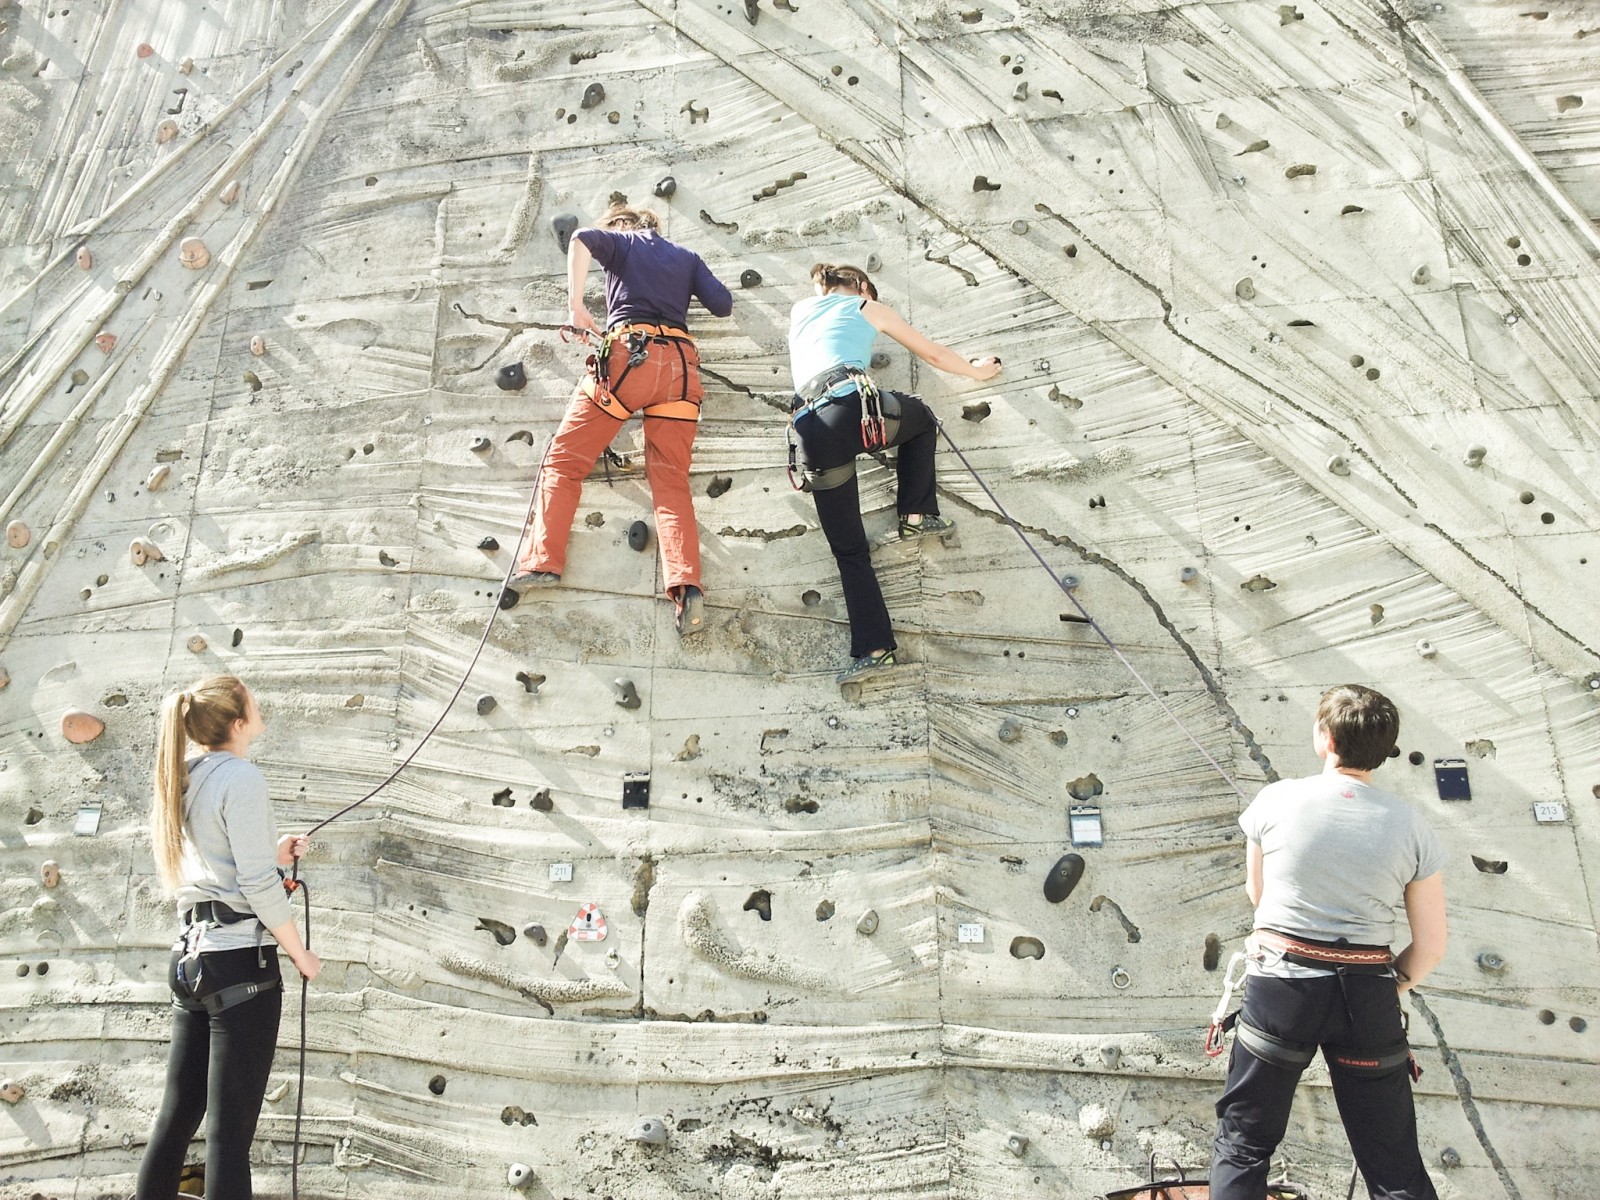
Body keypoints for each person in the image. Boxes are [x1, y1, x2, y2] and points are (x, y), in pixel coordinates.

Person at [1210, 684, 1448, 1200]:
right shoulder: (1412, 825)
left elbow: (1260, 896)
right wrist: (1391, 987)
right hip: (1367, 996)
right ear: (1385, 750)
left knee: (1243, 1144)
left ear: (1325, 736)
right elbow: (1430, 944)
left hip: (1283, 989)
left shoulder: (1275, 799)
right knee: (1393, 1164)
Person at [510, 204, 734, 636]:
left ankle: (542, 562)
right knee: (670, 479)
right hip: (681, 371)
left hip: (630, 360)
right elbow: (722, 304)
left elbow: (579, 240)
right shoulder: (685, 257)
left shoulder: (622, 241)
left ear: (620, 226)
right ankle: (687, 586)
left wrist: (576, 306)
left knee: (564, 461)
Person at [137, 676, 320, 1200]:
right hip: (239, 963)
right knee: (229, 1133)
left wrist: (273, 849)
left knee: (176, 1117)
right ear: (238, 722)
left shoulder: (187, 775)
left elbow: (224, 861)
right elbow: (258, 885)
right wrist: (300, 953)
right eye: (253, 701)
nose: (260, 705)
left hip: (189, 959)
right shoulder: (241, 776)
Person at [785, 262, 1001, 682]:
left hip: (807, 431)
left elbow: (820, 296)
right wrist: (975, 370)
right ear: (863, 286)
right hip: (851, 409)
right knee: (921, 419)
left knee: (849, 552)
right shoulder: (866, 306)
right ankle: (916, 515)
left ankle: (875, 650)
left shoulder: (799, 311)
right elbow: (933, 354)